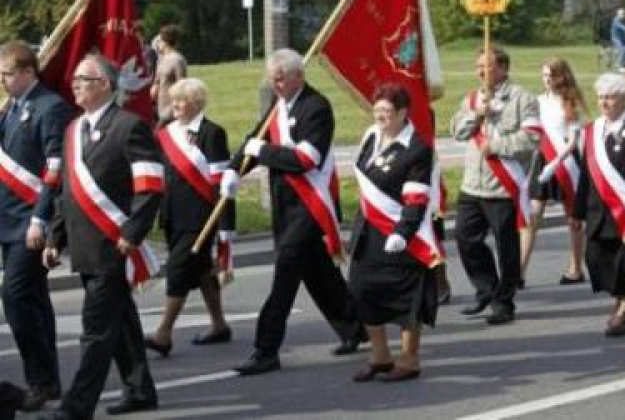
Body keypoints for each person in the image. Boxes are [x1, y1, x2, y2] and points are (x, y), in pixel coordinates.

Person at [222, 48, 365, 376]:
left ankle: (265, 349)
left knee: (285, 276)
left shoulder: (316, 107)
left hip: (309, 207)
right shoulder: (279, 106)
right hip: (284, 206)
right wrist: (233, 171)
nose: (276, 84)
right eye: (273, 79)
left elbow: (305, 160)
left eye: (281, 78)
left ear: (299, 75)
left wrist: (264, 151)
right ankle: (353, 325)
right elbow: (253, 142)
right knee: (318, 273)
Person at [41, 54, 163, 419]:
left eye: (84, 79)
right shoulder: (72, 130)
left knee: (96, 329)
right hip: (83, 244)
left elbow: (151, 185)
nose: (75, 84)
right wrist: (54, 238)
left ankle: (76, 408)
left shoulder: (129, 126)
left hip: (113, 244)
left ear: (105, 85)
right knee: (120, 319)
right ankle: (140, 390)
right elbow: (68, 192)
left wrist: (133, 232)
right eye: (75, 79)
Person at [348, 84, 441, 383]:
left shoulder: (416, 149)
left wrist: (402, 231)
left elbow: (416, 198)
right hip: (368, 230)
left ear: (403, 113)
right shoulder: (370, 136)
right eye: (377, 110)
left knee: (405, 298)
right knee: (363, 290)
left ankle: (409, 359)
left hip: (401, 234)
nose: (381, 117)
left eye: (387, 111)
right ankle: (380, 356)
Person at [0, 41, 71, 411]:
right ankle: (49, 380)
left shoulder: (50, 107)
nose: (3, 81)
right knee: (36, 301)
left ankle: (40, 379)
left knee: (14, 297)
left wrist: (41, 219)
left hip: (30, 220)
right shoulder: (11, 108)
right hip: (7, 219)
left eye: (7, 74)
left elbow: (54, 170)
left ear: (28, 71)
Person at [145, 78, 235, 357]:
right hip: (173, 214)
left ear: (197, 103)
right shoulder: (166, 133)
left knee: (178, 269)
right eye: (174, 101)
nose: (177, 106)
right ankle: (219, 324)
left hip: (200, 217)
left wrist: (225, 227)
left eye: (182, 101)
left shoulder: (212, 133)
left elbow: (222, 183)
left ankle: (164, 333)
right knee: (200, 269)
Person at [451, 46, 539, 325]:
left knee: (506, 247)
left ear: (502, 67)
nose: (480, 71)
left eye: (487, 66)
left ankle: (504, 302)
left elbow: (533, 139)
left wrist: (497, 145)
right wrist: (476, 114)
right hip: (472, 185)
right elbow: (457, 131)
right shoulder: (473, 98)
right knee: (465, 239)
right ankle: (486, 289)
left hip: (502, 187)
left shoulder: (522, 98)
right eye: (478, 66)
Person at [572, 73, 625, 337]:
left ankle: (624, 309)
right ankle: (620, 299)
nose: (604, 103)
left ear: (622, 100)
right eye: (600, 97)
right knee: (596, 259)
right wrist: (577, 211)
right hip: (598, 209)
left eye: (609, 97)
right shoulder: (591, 130)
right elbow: (586, 174)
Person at [521, 58, 587, 287]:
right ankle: (519, 271)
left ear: (561, 76)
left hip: (566, 162)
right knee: (532, 216)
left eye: (551, 75)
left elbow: (573, 141)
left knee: (573, 219)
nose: (547, 80)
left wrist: (556, 162)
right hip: (543, 161)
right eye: (544, 75)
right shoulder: (537, 102)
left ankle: (576, 267)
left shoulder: (570, 102)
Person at [150, 24, 187, 125]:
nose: (157, 44)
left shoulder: (178, 60)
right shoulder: (161, 60)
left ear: (164, 42)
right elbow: (156, 84)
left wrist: (176, 110)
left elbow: (182, 88)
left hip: (171, 113)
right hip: (160, 110)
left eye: (159, 41)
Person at [610, 8, 625, 73]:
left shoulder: (623, 20)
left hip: (623, 37)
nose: (623, 15)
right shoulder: (616, 20)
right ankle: (619, 66)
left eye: (624, 14)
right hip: (616, 38)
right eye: (622, 14)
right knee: (622, 49)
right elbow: (622, 27)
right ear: (618, 14)